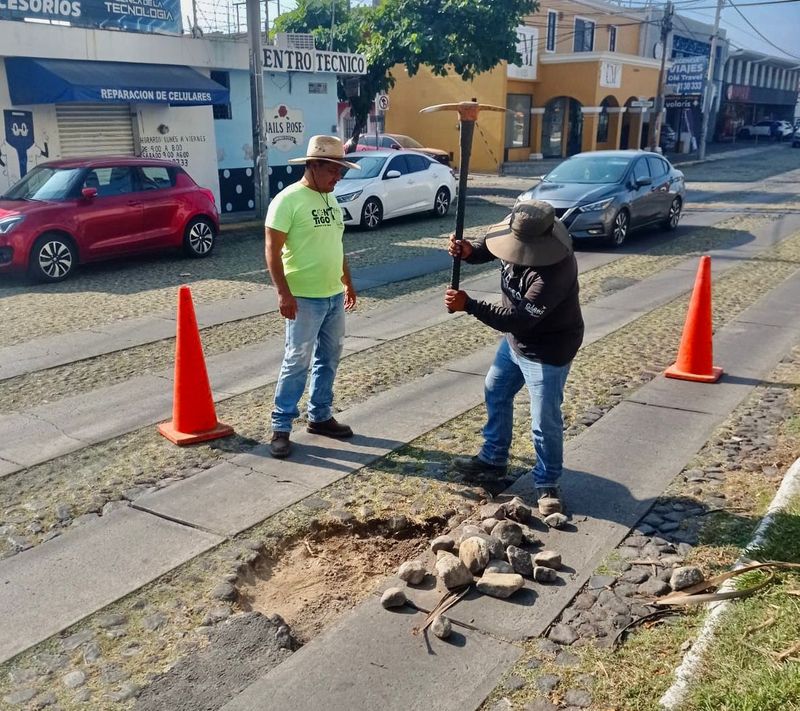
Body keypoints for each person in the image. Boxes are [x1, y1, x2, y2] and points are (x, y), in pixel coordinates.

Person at [444, 200, 584, 515]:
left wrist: (469, 305)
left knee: (544, 420)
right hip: (515, 344)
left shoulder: (555, 271)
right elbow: (489, 248)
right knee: (496, 390)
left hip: (548, 350)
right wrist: (469, 252)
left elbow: (517, 319)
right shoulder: (516, 236)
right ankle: (493, 459)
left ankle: (547, 482)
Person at [264, 135, 360, 458]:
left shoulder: (331, 200)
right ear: (313, 166)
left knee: (329, 358)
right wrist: (283, 293)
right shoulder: (287, 201)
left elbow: (337, 245)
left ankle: (320, 416)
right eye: (333, 170)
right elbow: (272, 250)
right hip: (303, 297)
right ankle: (281, 426)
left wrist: (347, 281)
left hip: (332, 295)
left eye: (341, 171)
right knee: (297, 361)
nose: (338, 177)